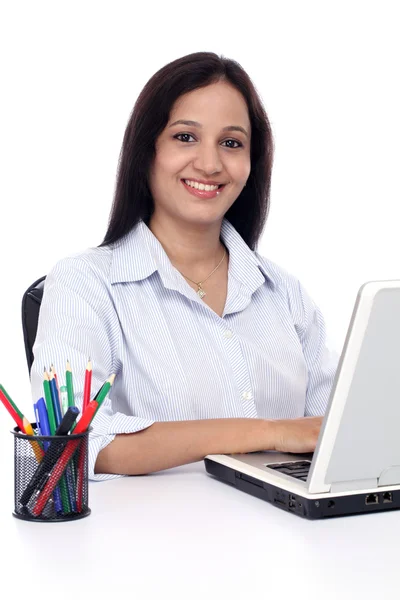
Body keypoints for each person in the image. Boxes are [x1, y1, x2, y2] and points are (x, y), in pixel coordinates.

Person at [31, 51, 338, 481]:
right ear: (147, 149)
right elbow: (80, 443)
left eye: (231, 143)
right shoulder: (87, 283)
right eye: (185, 137)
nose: (210, 164)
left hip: (295, 533)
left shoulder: (282, 291)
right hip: (157, 541)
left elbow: (340, 426)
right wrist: (268, 432)